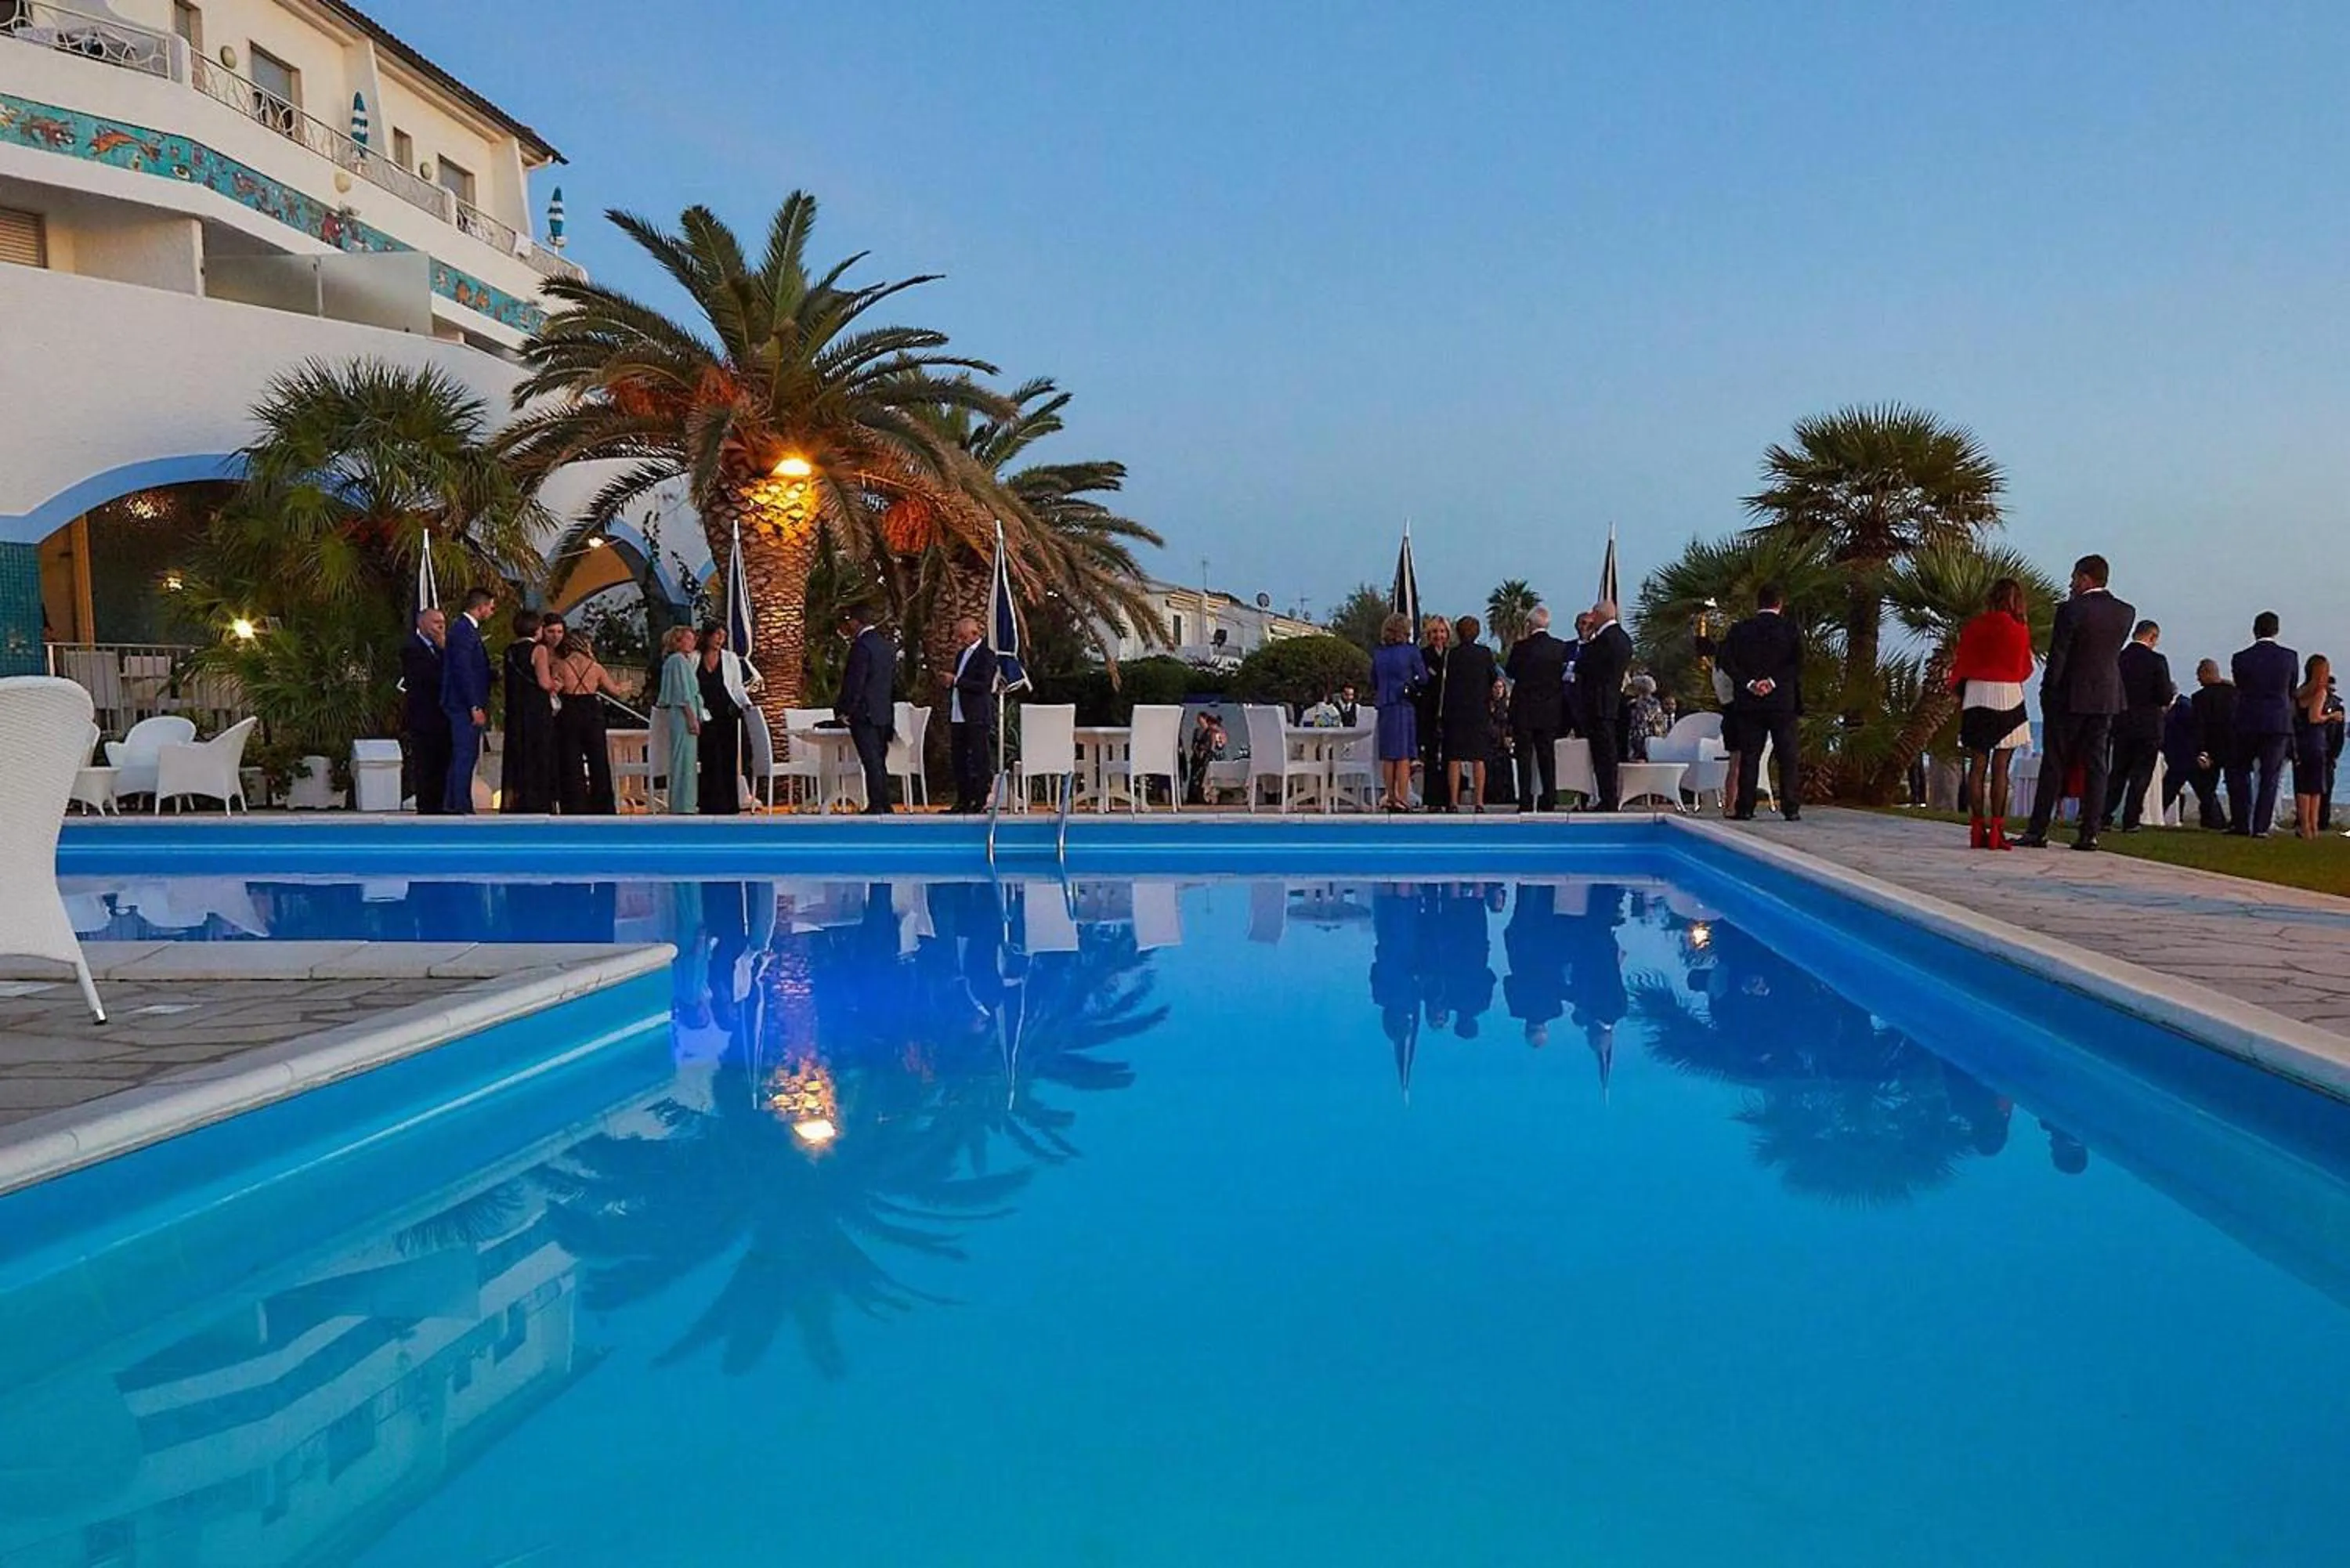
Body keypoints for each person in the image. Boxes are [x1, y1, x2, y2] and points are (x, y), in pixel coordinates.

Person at [2017, 555, 2133, 851]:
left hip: (2070, 695)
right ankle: (2090, 832)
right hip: (2106, 695)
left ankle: (2038, 828)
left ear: (2084, 578)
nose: (2070, 584)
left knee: (2055, 762)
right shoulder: (2125, 613)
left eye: (2074, 578)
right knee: (2096, 765)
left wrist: (2047, 690)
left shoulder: (2071, 610)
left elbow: (2060, 656)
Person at [1948, 577, 2034, 849]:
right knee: (2001, 768)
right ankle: (1997, 832)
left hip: (1976, 694)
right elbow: (2025, 669)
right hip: (2007, 693)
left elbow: (1961, 663)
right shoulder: (2019, 629)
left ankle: (1977, 830)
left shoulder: (1975, 626)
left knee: (1978, 765)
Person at [1719, 585, 1802, 822]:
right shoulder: (1790, 629)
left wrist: (1750, 683)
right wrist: (1773, 682)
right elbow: (1797, 664)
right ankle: (1791, 806)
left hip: (1749, 703)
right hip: (1782, 703)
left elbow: (1727, 662)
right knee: (1787, 756)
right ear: (1780, 604)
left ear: (1758, 604)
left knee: (1749, 756)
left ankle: (1745, 807)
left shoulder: (1740, 630)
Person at [2228, 611, 2298, 838]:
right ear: (2276, 630)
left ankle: (2241, 821)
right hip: (2277, 722)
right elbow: (2291, 688)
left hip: (2248, 719)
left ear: (2254, 630)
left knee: (2239, 771)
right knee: (2270, 775)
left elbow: (2240, 687)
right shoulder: (2289, 657)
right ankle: (2260, 826)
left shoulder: (2241, 658)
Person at [2105, 620, 2175, 833]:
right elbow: (2164, 695)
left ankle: (2105, 814)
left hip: (2122, 722)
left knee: (2117, 772)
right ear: (2152, 637)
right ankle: (2131, 818)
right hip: (2148, 725)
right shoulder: (2157, 661)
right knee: (2141, 774)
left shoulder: (2119, 658)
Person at [550, 622, 625, 814]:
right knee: (598, 758)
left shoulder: (561, 665)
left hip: (569, 708)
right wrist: (624, 686)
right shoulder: (596, 667)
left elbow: (555, 688)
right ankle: (603, 804)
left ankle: (575, 804)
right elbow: (614, 691)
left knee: (571, 759)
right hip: (591, 708)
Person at [1503, 605, 1568, 811]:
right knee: (1547, 756)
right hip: (1549, 710)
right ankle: (1549, 799)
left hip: (1524, 709)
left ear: (1530, 624)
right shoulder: (1559, 648)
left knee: (1524, 757)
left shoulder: (1521, 647)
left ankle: (1525, 800)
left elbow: (1511, 672)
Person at [1574, 600, 1635, 811]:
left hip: (1598, 703)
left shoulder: (1604, 641)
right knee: (1608, 753)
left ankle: (1607, 798)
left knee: (1603, 755)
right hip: (1611, 703)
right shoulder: (1623, 639)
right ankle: (1609, 796)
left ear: (1599, 616)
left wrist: (1584, 642)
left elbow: (1584, 665)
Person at [439, 586, 495, 814]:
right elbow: (463, 671)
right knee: (465, 752)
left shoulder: (465, 631)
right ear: (480, 607)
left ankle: (455, 800)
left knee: (465, 753)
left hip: (464, 702)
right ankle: (458, 803)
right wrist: (474, 705)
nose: (491, 612)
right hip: (463, 704)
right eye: (490, 607)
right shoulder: (463, 631)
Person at [837, 604, 896, 815]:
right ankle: (884, 802)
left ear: (855, 621)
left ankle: (877, 804)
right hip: (883, 712)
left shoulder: (862, 647)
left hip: (865, 713)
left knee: (870, 760)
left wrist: (846, 710)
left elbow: (856, 682)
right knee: (879, 760)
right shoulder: (885, 646)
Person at [1440, 615, 1500, 813]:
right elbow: (1493, 678)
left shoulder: (1452, 655)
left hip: (1455, 711)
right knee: (1478, 758)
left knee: (1454, 758)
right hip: (1478, 710)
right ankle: (1479, 801)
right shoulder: (1484, 654)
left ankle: (1453, 801)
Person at [499, 608, 557, 813]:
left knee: (518, 754)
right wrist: (554, 685)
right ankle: (537, 800)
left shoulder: (510, 651)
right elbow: (543, 682)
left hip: (516, 709)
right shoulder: (538, 650)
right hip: (535, 710)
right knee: (537, 754)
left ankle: (516, 800)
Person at [1371, 612, 1429, 812]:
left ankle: (1391, 795)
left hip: (1385, 704)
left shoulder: (1379, 653)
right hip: (1403, 704)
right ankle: (1402, 798)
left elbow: (1374, 679)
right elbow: (1422, 678)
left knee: (1388, 755)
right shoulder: (1410, 652)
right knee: (1403, 755)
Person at [945, 614, 998, 814]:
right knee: (959, 758)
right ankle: (963, 799)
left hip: (976, 714)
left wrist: (957, 681)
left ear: (974, 634)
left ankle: (980, 799)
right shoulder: (961, 655)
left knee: (979, 758)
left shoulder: (986, 655)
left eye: (963, 636)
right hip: (959, 713)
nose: (960, 640)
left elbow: (984, 685)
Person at [399, 607, 448, 815]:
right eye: (436, 622)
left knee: (442, 761)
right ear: (422, 624)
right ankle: (427, 804)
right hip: (423, 715)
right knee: (425, 761)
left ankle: (441, 802)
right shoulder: (413, 648)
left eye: (443, 622)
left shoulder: (441, 649)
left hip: (443, 715)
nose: (441, 626)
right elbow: (429, 677)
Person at [696, 624, 745, 815]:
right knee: (709, 758)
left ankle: (729, 804)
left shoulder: (730, 658)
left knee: (728, 757)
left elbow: (736, 686)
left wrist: (745, 705)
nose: (719, 639)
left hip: (726, 713)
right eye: (717, 635)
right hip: (705, 714)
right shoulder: (695, 658)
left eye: (723, 636)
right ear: (707, 636)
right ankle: (709, 803)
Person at [654, 625, 703, 814]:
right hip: (683, 715)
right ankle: (683, 804)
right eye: (688, 639)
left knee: (685, 758)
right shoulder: (678, 662)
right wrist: (691, 717)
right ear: (678, 641)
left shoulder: (677, 661)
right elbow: (683, 692)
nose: (692, 642)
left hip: (682, 713)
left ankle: (684, 802)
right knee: (683, 759)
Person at [2187, 658, 2238, 830]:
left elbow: (2199, 727)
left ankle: (2212, 819)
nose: (2198, 679)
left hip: (2211, 748)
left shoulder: (2200, 698)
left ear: (2206, 674)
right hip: (2232, 746)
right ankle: (2238, 819)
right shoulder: (2234, 694)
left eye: (2199, 675)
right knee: (2236, 786)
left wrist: (2201, 751)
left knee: (2207, 787)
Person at [2293, 653, 2333, 840]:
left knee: (2302, 786)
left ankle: (2305, 825)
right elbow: (2314, 717)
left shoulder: (2300, 692)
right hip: (2315, 740)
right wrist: (2331, 717)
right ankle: (2313, 826)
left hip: (2300, 741)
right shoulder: (2320, 692)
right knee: (2315, 788)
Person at [1415, 615, 1452, 811]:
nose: (1439, 635)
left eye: (1442, 631)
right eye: (1435, 632)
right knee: (1430, 758)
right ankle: (1431, 799)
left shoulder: (1451, 656)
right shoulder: (1424, 655)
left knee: (1447, 757)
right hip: (1428, 713)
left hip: (1448, 712)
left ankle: (1447, 797)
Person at [2160, 691, 2198, 826]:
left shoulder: (2183, 708)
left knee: (2169, 789)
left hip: (2182, 757)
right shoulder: (2184, 706)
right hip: (2182, 757)